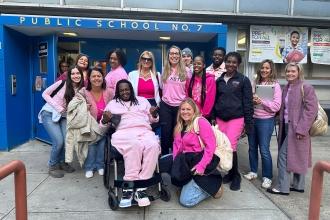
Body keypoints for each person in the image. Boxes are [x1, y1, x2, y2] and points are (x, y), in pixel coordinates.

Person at [101, 79, 160, 208]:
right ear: (117, 92)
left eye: (127, 89)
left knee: (154, 145)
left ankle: (141, 189)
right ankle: (128, 188)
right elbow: (102, 124)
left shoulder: (142, 101)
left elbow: (153, 119)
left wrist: (154, 114)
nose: (124, 92)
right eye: (121, 90)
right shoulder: (112, 104)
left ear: (131, 89)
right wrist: (105, 120)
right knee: (135, 145)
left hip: (144, 131)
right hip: (123, 133)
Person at [267, 63, 318, 195]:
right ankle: (298, 185)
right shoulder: (287, 87)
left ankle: (282, 187)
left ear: (299, 72)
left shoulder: (306, 87)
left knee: (284, 157)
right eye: (288, 71)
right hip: (286, 126)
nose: (290, 73)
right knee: (298, 155)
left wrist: (302, 129)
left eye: (293, 71)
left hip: (298, 127)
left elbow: (311, 110)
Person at [212, 52, 254, 191]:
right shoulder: (219, 80)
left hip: (236, 118)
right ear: (225, 62)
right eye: (228, 61)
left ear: (238, 64)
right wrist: (213, 117)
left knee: (231, 146)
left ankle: (236, 176)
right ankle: (229, 173)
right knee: (223, 146)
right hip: (220, 118)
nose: (231, 64)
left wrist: (248, 124)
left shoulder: (243, 80)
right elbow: (215, 100)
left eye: (234, 62)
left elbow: (248, 103)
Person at [171, 98, 223, 207]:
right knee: (163, 163)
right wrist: (176, 165)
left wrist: (201, 166)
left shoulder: (200, 122)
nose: (185, 112)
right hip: (186, 161)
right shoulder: (179, 126)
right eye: (183, 109)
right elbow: (176, 147)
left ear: (194, 110)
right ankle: (186, 182)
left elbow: (211, 146)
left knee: (185, 201)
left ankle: (213, 190)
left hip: (199, 161)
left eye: (188, 109)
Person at [38, 66, 84, 178]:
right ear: (69, 75)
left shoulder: (81, 89)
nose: (76, 76)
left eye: (78, 73)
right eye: (73, 74)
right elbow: (45, 94)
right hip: (49, 113)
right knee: (58, 141)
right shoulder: (62, 83)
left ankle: (63, 163)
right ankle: (53, 165)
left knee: (66, 140)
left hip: (64, 117)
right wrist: (58, 107)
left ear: (81, 75)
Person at [244, 59, 282, 189]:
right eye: (262, 68)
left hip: (266, 120)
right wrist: (253, 101)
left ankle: (267, 177)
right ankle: (253, 171)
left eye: (267, 68)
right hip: (253, 119)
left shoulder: (275, 85)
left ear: (271, 70)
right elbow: (249, 100)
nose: (264, 70)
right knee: (252, 147)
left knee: (264, 150)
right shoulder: (255, 82)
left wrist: (261, 101)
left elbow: (276, 106)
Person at [80, 67, 113, 178]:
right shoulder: (84, 91)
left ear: (103, 78)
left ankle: (100, 165)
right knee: (92, 144)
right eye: (93, 76)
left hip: (104, 124)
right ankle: (89, 167)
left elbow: (116, 104)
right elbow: (74, 104)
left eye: (99, 76)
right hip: (89, 125)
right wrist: (84, 107)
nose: (96, 78)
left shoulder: (109, 92)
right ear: (89, 78)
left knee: (102, 144)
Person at [160, 45, 191, 155]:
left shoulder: (187, 71)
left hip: (180, 107)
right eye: (172, 53)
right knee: (165, 133)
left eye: (176, 53)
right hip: (165, 106)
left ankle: (176, 157)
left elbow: (189, 89)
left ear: (180, 56)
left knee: (177, 134)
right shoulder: (164, 69)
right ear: (168, 56)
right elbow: (161, 87)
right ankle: (164, 158)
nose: (174, 55)